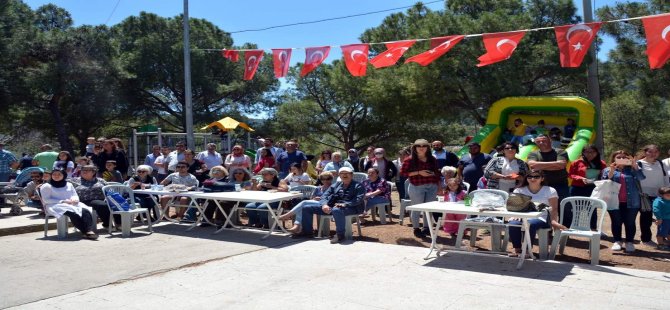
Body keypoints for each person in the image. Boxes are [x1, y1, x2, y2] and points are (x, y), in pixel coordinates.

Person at [507, 170, 567, 257]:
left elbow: (554, 209)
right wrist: (514, 215)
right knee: (513, 223)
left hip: (542, 218)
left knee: (530, 224)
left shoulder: (550, 190)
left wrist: (554, 221)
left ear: (542, 178)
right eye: (530, 177)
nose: (532, 179)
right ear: (526, 179)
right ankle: (517, 250)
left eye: (536, 177)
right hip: (522, 216)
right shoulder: (519, 190)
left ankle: (527, 251)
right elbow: (514, 207)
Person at [298, 167, 365, 244]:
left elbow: (358, 199)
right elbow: (324, 196)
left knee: (336, 210)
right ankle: (307, 233)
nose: (344, 175)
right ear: (339, 175)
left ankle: (340, 235)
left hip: (352, 207)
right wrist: (324, 205)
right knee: (307, 208)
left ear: (351, 175)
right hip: (334, 207)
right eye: (342, 173)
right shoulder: (336, 185)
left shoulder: (358, 186)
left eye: (347, 173)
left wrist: (345, 204)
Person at [602, 150, 645, 253]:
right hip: (614, 201)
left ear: (627, 159)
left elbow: (641, 178)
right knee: (616, 222)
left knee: (630, 223)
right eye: (619, 157)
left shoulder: (632, 169)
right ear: (614, 159)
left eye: (624, 157)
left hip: (632, 201)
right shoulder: (608, 169)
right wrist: (612, 170)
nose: (621, 159)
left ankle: (629, 242)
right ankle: (617, 241)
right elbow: (604, 182)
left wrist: (635, 166)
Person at [41, 168, 99, 240]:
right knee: (73, 213)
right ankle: (86, 231)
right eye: (54, 174)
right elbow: (46, 200)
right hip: (54, 205)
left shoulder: (69, 184)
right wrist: (63, 201)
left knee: (84, 211)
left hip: (70, 203)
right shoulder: (47, 186)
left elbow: (74, 195)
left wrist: (74, 200)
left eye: (59, 174)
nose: (56, 176)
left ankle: (88, 231)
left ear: (64, 175)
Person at [400, 139, 442, 238]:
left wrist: (439, 187)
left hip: (432, 186)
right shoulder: (409, 160)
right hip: (416, 186)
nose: (422, 148)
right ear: (415, 148)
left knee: (429, 208)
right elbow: (403, 173)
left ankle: (426, 228)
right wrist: (419, 172)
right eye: (419, 146)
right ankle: (416, 228)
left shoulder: (432, 159)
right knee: (416, 208)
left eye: (424, 146)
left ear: (428, 147)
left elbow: (437, 174)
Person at [636, 144, 669, 247]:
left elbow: (665, 177)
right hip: (644, 195)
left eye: (655, 152)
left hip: (660, 195)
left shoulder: (661, 163)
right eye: (650, 152)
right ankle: (646, 239)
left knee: (664, 216)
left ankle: (662, 238)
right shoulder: (639, 163)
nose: (653, 154)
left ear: (658, 153)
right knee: (646, 216)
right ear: (645, 152)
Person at [568, 145, 606, 230]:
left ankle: (593, 228)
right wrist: (581, 178)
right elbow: (571, 174)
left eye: (592, 152)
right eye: (587, 152)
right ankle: (573, 227)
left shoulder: (601, 163)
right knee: (575, 208)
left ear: (597, 153)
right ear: (583, 153)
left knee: (592, 209)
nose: (590, 154)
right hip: (577, 188)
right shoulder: (576, 162)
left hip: (593, 189)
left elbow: (604, 175)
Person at [71, 164, 119, 229]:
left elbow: (109, 189)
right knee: (102, 205)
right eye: (83, 170)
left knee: (116, 202)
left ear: (93, 172)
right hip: (84, 201)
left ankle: (119, 223)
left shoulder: (100, 180)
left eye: (87, 170)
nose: (84, 171)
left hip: (102, 199)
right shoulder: (74, 181)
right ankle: (107, 224)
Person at [526, 134, 569, 202]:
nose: (541, 143)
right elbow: (532, 165)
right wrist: (555, 165)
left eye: (544, 141)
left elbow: (561, 165)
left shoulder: (560, 152)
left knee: (564, 207)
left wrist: (539, 167)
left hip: (560, 185)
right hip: (541, 186)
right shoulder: (533, 153)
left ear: (550, 140)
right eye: (538, 141)